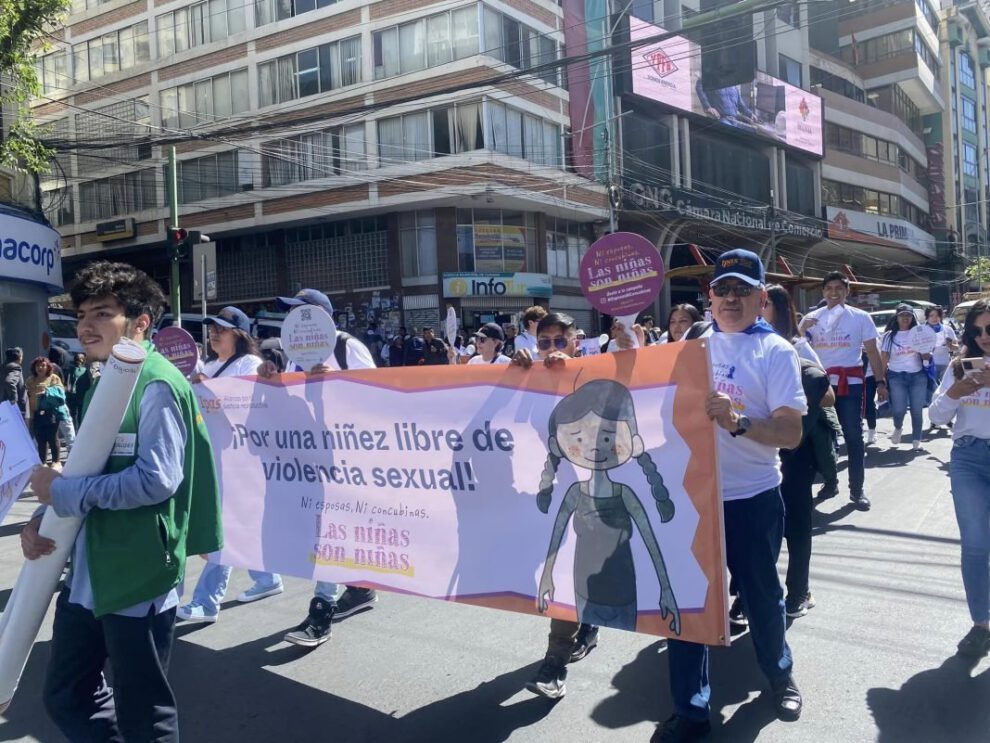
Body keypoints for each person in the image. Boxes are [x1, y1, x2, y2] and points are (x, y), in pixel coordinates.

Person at [24, 260, 222, 742]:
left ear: (139, 323)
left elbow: (157, 481)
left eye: (102, 313)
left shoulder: (154, 381)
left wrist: (63, 493)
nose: (86, 326)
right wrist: (43, 516)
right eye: (81, 315)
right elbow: (86, 468)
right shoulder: (102, 379)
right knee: (67, 695)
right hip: (88, 575)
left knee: (145, 714)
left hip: (138, 578)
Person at [644, 249, 806, 742]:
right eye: (723, 290)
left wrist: (738, 424)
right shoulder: (690, 346)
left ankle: (779, 676)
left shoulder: (775, 351)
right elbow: (623, 386)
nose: (731, 298)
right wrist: (551, 364)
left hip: (752, 497)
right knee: (688, 604)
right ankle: (691, 710)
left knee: (761, 596)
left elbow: (791, 433)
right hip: (690, 498)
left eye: (743, 290)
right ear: (709, 297)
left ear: (761, 299)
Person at [273, 289, 380, 648]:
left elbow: (378, 397)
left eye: (300, 312)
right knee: (327, 529)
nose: (294, 320)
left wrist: (333, 384)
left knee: (328, 531)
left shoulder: (347, 347)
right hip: (310, 457)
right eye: (290, 313)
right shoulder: (293, 357)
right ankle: (361, 588)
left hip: (347, 457)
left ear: (321, 316)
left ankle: (321, 610)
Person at [510, 312, 601, 699]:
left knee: (573, 573)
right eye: (543, 342)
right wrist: (514, 379)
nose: (550, 349)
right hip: (550, 492)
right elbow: (509, 422)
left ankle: (556, 660)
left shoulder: (594, 374)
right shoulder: (533, 378)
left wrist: (570, 378)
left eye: (558, 341)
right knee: (562, 573)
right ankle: (573, 640)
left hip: (593, 493)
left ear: (575, 341)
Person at [178, 306, 283, 623]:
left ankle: (206, 601)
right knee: (237, 525)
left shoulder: (249, 364)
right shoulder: (211, 365)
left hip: (240, 461)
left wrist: (206, 386)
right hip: (216, 459)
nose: (213, 333)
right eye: (211, 329)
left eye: (221, 329)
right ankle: (267, 579)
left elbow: (247, 411)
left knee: (224, 526)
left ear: (239, 334)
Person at [763, 284, 833, 618]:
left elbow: (827, 393)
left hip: (794, 451)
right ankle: (746, 594)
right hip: (757, 451)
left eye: (762, 304)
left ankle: (799, 590)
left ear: (778, 308)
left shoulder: (798, 347)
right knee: (760, 528)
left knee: (797, 525)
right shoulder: (743, 347)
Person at [928, 299, 990, 659]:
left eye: (989, 329)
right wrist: (956, 392)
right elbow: (936, 416)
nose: (983, 337)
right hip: (968, 457)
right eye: (976, 330)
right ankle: (981, 624)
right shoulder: (958, 367)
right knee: (976, 545)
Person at [800, 271, 886, 511]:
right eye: (829, 288)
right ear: (823, 291)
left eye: (839, 288)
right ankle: (830, 482)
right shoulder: (811, 318)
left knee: (853, 437)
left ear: (847, 292)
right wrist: (801, 331)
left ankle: (857, 491)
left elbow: (872, 351)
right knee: (816, 436)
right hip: (819, 385)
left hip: (851, 383)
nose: (834, 293)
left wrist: (880, 382)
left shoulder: (860, 317)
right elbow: (795, 348)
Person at [880, 304, 936, 451]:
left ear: (913, 317)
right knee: (899, 410)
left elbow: (928, 352)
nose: (905, 318)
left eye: (908, 315)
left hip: (918, 376)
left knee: (917, 410)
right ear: (896, 317)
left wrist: (927, 356)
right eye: (902, 315)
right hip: (896, 376)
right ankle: (898, 427)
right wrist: (881, 381)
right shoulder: (888, 336)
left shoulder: (920, 334)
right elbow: (883, 359)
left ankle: (917, 440)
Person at [27, 356, 65, 466]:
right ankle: (42, 462)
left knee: (53, 438)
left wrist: (47, 393)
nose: (40, 367)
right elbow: (27, 397)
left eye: (43, 365)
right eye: (37, 365)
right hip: (36, 414)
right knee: (41, 440)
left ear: (47, 367)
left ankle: (56, 462)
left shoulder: (54, 378)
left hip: (51, 412)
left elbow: (60, 392)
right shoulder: (30, 380)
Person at [926, 306, 958, 415]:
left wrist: (950, 345)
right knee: (933, 392)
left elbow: (956, 347)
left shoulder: (947, 329)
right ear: (927, 317)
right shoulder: (922, 331)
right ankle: (934, 416)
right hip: (930, 365)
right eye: (931, 315)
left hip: (945, 364)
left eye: (937, 315)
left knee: (946, 390)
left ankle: (947, 415)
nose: (935, 318)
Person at [64, 353, 89, 425]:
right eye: (77, 359)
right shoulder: (72, 370)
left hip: (78, 396)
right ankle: (76, 429)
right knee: (75, 414)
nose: (78, 361)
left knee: (77, 414)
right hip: (75, 396)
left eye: (79, 359)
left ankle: (77, 430)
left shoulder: (85, 371)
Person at [2, 347, 27, 417]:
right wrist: (13, 401)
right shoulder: (15, 367)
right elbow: (9, 382)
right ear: (19, 357)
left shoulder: (3, 367)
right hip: (12, 408)